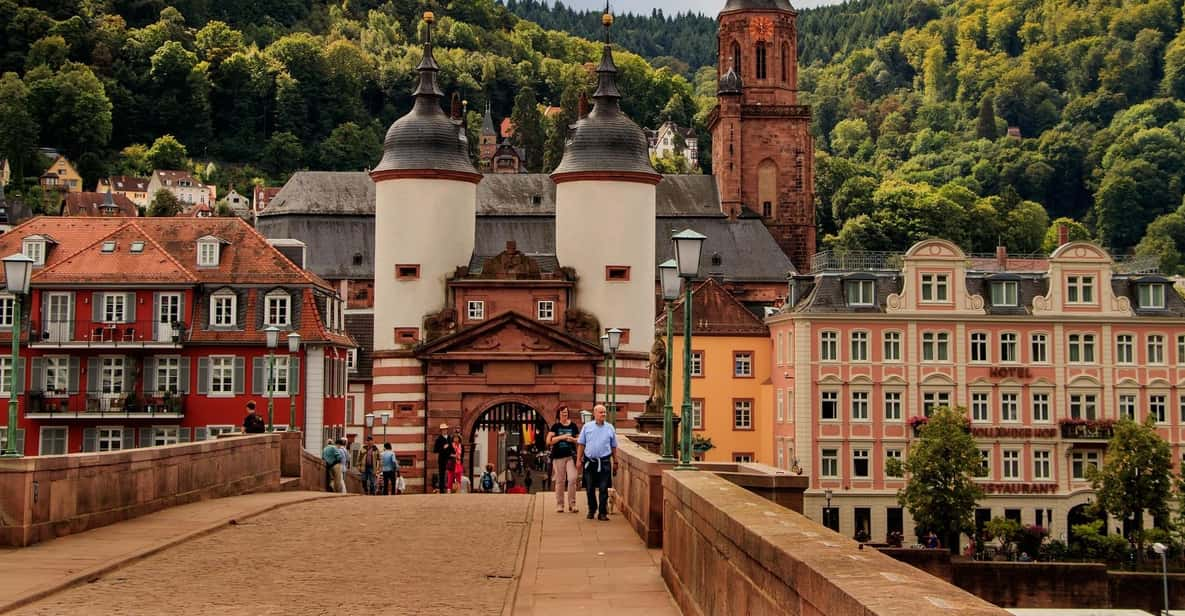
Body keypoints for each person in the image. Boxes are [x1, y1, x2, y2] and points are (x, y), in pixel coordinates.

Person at [576, 404, 617, 521]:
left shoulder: (610, 428)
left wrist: (616, 461)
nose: (603, 414)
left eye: (604, 412)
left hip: (604, 462)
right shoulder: (587, 427)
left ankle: (602, 513)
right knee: (589, 488)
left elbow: (613, 446)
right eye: (601, 412)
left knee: (604, 488)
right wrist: (578, 460)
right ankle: (592, 509)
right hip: (590, 462)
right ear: (594, 414)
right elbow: (581, 444)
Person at [548, 406, 581, 513]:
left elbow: (580, 440)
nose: (564, 415)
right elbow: (549, 441)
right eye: (562, 413)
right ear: (559, 414)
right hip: (558, 457)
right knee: (560, 481)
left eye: (566, 413)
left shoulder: (573, 426)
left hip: (571, 456)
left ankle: (572, 504)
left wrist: (572, 439)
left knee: (572, 478)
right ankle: (560, 504)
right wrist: (561, 437)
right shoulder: (555, 427)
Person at [433, 423, 452, 494]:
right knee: (442, 474)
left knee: (450, 474)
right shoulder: (439, 439)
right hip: (442, 459)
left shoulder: (450, 438)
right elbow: (435, 450)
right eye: (443, 430)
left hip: (450, 459)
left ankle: (450, 489)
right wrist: (443, 448)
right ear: (441, 431)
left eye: (445, 429)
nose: (444, 431)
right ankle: (441, 490)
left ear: (447, 430)